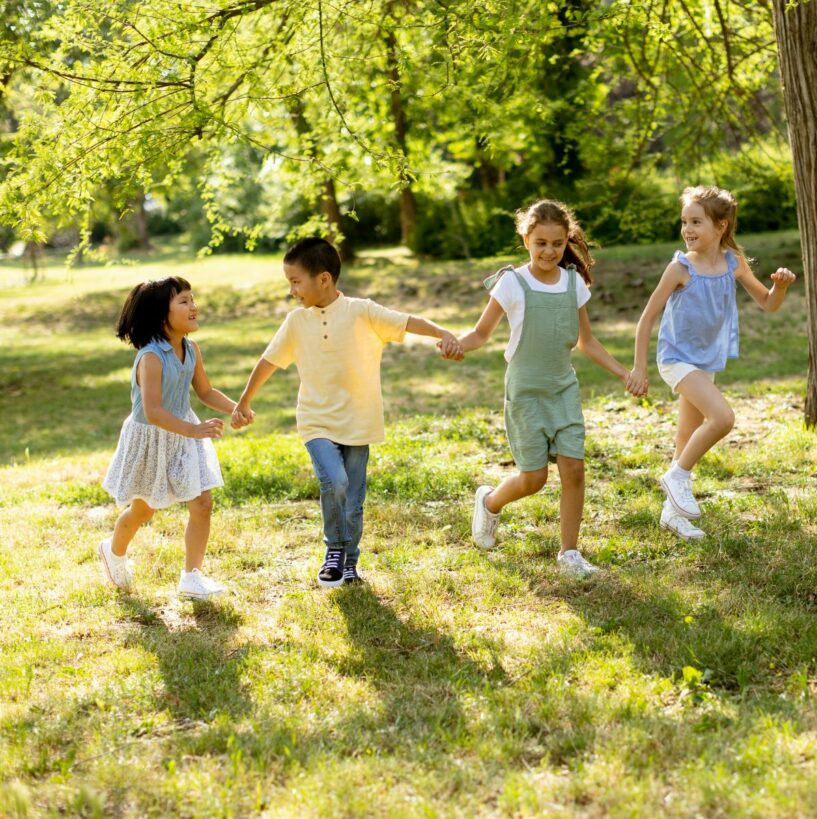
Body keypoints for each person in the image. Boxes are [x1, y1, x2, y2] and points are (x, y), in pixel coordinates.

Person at [230, 237, 461, 587]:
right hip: (316, 419)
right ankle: (334, 550)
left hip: (359, 418)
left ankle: (350, 562)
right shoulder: (296, 321)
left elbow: (405, 320)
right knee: (333, 481)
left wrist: (440, 331)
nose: (292, 290)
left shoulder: (361, 311)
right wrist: (244, 400)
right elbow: (269, 361)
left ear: (323, 279)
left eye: (296, 282)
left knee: (353, 499)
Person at [454, 200, 644, 577]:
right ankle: (490, 502)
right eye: (540, 243)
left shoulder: (574, 282)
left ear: (566, 241)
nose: (549, 251)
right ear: (526, 239)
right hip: (525, 392)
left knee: (573, 469)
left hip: (563, 389)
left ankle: (569, 554)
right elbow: (480, 333)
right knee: (534, 479)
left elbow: (586, 342)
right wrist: (457, 344)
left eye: (557, 243)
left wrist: (624, 373)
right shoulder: (512, 282)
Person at [630, 185, 796, 539]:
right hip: (676, 359)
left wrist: (780, 286)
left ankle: (672, 515)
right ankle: (677, 477)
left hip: (706, 363)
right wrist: (639, 368)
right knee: (722, 419)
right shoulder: (680, 268)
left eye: (696, 222)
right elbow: (646, 318)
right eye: (684, 221)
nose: (687, 229)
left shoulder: (732, 263)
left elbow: (768, 303)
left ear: (720, 226)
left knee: (686, 438)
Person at [100, 277, 236, 599]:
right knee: (144, 510)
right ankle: (113, 550)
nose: (193, 306)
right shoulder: (150, 357)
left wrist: (237, 408)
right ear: (163, 316)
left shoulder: (191, 349)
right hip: (151, 438)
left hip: (185, 432)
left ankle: (192, 577)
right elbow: (152, 412)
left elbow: (205, 391)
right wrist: (194, 430)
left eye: (192, 299)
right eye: (184, 301)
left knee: (202, 503)